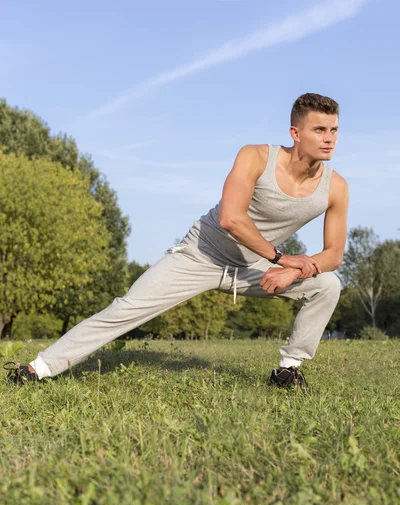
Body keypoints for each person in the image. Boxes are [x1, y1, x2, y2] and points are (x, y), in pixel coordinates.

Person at [5, 92, 348, 388]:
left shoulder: (335, 187)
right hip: (202, 254)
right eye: (319, 129)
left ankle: (288, 371)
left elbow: (334, 253)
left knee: (327, 285)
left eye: (333, 129)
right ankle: (37, 369)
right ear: (295, 132)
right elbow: (231, 218)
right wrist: (282, 260)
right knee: (126, 309)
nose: (329, 138)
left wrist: (296, 271)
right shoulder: (256, 157)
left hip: (254, 266)